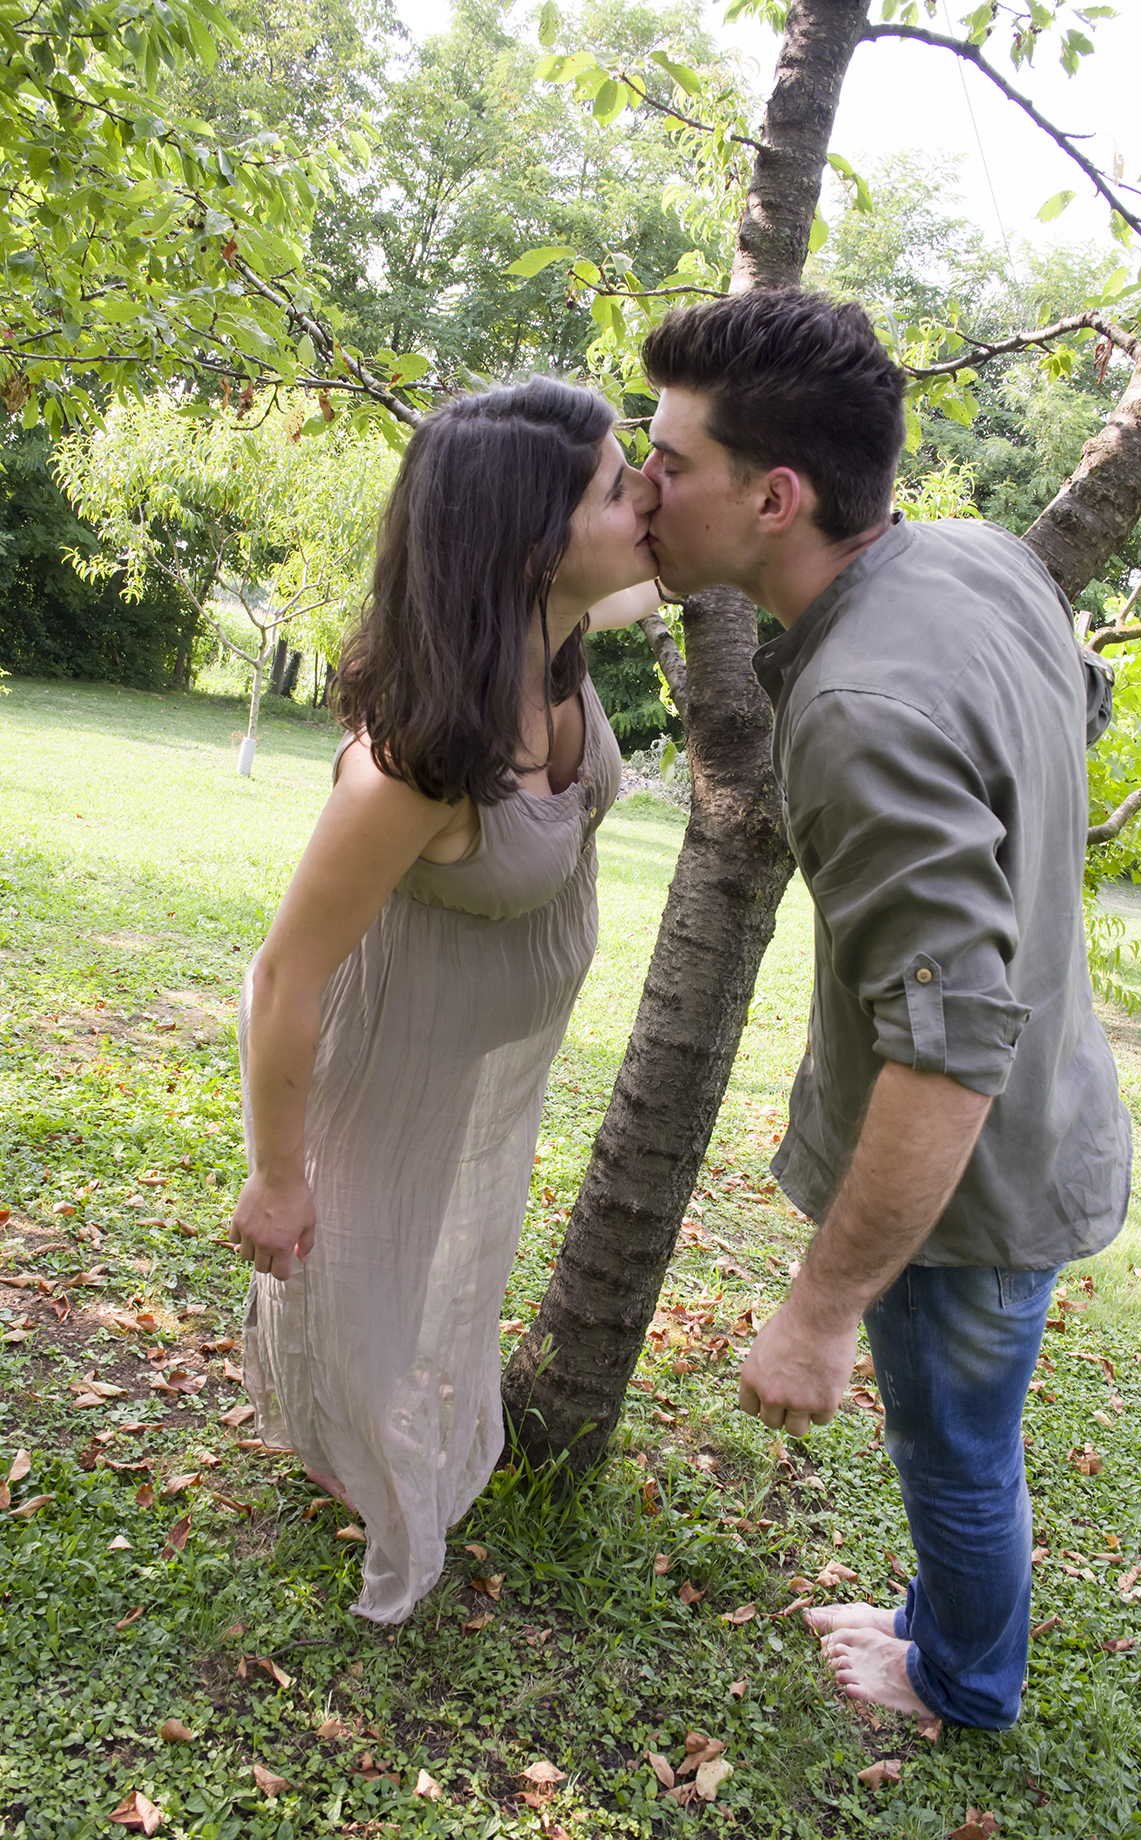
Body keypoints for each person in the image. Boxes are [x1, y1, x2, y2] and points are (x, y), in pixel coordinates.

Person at [639, 288, 1130, 1730]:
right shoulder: (977, 560)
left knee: (955, 1446)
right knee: (961, 1432)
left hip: (969, 1186)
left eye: (670, 460)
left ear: (775, 496)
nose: (642, 483)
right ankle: (936, 1621)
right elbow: (1077, 701)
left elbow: (949, 1047)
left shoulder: (856, 704)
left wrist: (816, 1311)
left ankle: (962, 1682)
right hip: (1050, 1116)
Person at [229, 378, 660, 1624]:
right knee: (354, 1284)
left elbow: (708, 545)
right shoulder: (414, 756)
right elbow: (283, 974)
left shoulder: (568, 633)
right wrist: (275, 1170)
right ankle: (345, 1462)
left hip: (486, 1062)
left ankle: (365, 1440)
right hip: (388, 1053)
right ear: (530, 541)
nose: (643, 496)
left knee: (447, 1266)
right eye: (613, 483)